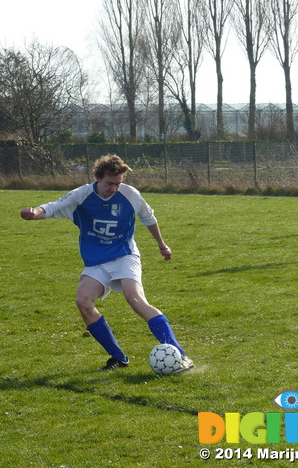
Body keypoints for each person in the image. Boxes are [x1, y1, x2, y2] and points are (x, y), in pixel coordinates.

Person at [20, 154, 193, 373]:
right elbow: (52, 207)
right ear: (98, 178)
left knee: (135, 299)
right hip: (96, 261)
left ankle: (180, 355)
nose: (114, 189)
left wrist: (162, 245)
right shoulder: (82, 195)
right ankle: (119, 358)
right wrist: (34, 213)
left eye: (118, 183)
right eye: (109, 184)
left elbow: (148, 218)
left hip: (124, 255)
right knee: (83, 302)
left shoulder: (130, 195)